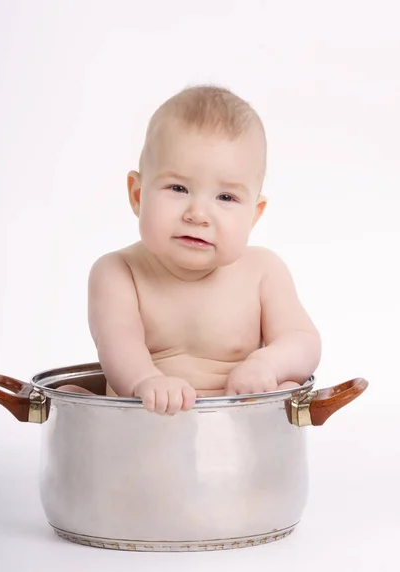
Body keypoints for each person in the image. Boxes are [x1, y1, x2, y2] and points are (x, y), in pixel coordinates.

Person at [60, 85, 321, 415]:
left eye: (226, 197)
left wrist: (266, 365)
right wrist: (145, 381)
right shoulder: (118, 272)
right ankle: (80, 419)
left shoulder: (263, 271)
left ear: (254, 215)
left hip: (239, 435)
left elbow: (302, 340)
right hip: (142, 427)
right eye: (178, 188)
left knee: (288, 388)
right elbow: (118, 343)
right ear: (138, 195)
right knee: (74, 399)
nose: (197, 214)